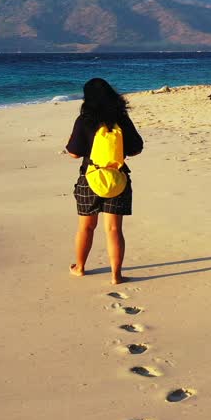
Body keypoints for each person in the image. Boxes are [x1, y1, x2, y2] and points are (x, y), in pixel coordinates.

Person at [65, 78, 143, 284]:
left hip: (90, 178)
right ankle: (116, 275)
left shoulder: (84, 120)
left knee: (86, 227)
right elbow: (136, 149)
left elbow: (73, 153)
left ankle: (80, 267)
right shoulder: (122, 119)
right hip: (118, 179)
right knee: (114, 229)